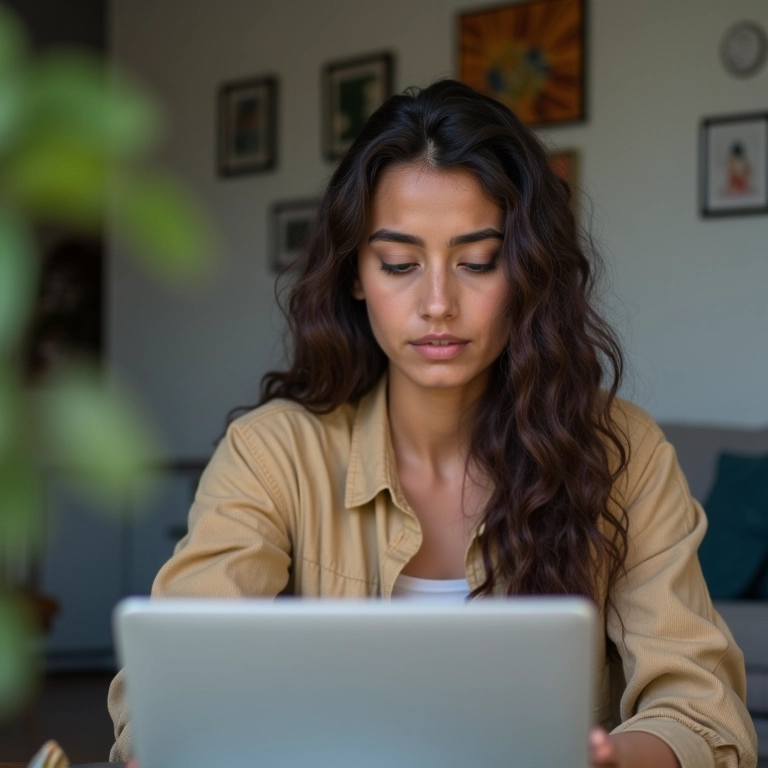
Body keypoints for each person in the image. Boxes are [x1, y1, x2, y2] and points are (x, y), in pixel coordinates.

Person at [109, 79, 757, 768]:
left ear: (529, 271)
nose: (438, 303)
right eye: (400, 264)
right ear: (356, 274)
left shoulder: (622, 452)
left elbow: (704, 714)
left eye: (478, 261)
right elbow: (166, 703)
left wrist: (607, 759)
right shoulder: (274, 454)